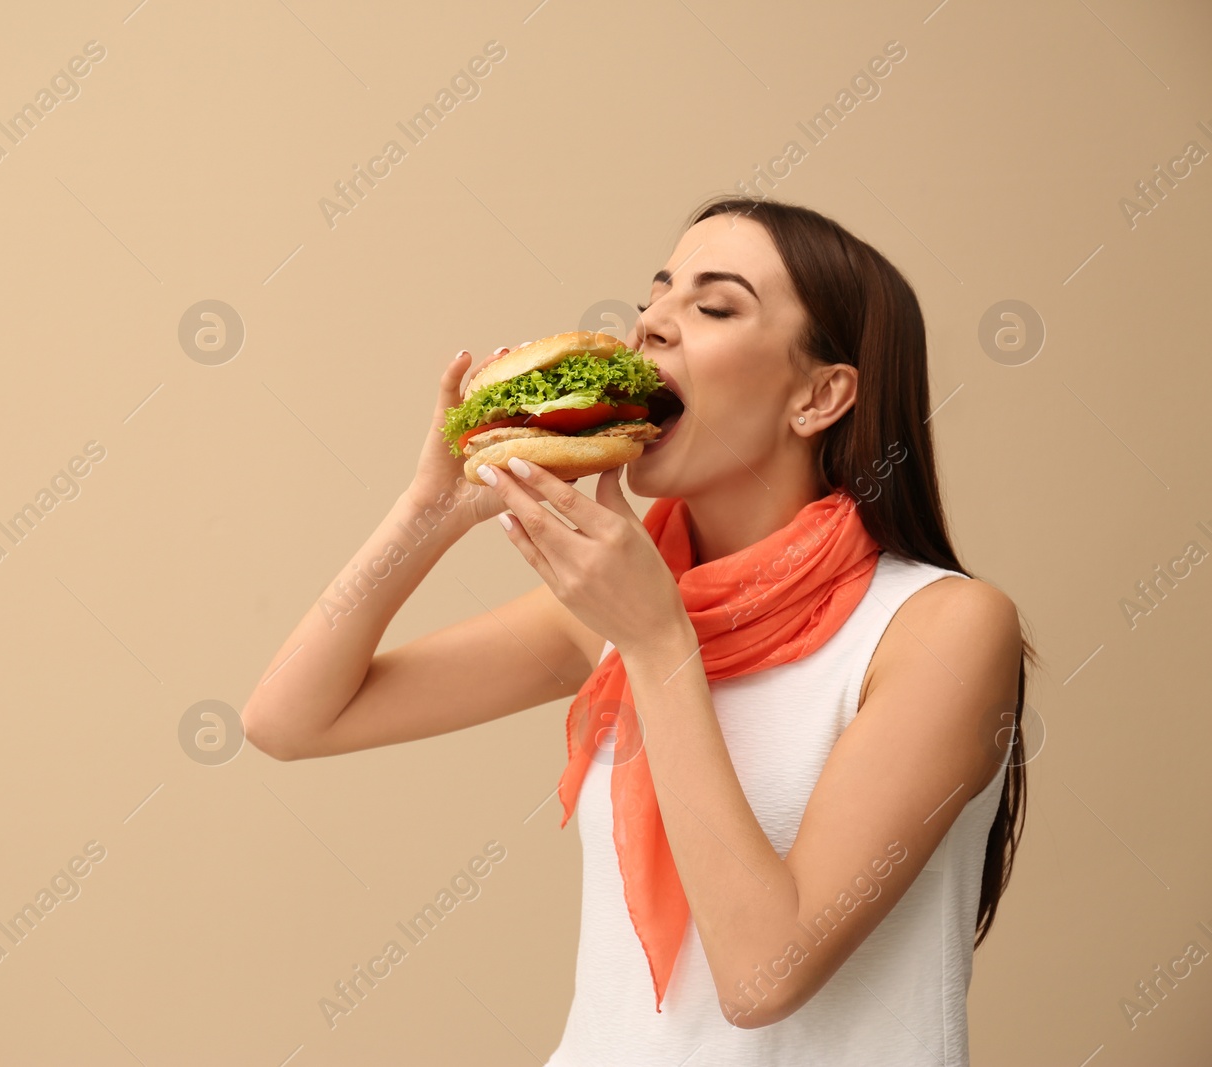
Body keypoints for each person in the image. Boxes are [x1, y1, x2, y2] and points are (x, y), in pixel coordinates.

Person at [241, 195, 1034, 1065]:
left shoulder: (941, 628)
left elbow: (764, 976)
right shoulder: (623, 608)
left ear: (820, 395)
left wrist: (659, 645)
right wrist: (430, 510)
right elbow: (287, 718)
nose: (653, 323)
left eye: (715, 305)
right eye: (655, 298)